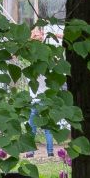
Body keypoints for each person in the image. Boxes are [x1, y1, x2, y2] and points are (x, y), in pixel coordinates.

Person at [25, 24, 56, 156]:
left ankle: (31, 152)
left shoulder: (31, 69)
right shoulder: (48, 68)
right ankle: (50, 152)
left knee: (32, 128)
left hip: (34, 100)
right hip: (45, 100)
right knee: (48, 129)